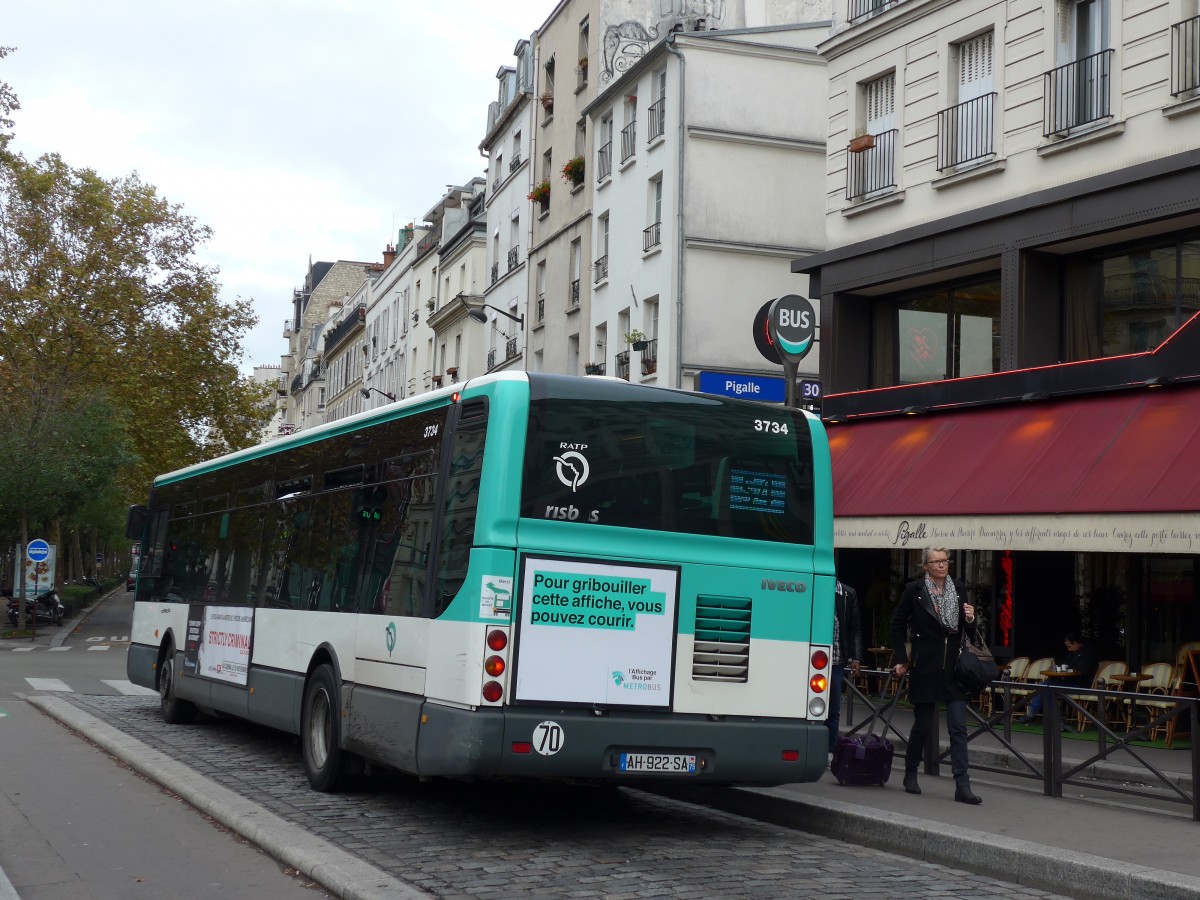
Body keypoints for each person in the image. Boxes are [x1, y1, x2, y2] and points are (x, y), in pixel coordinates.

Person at [891, 546, 982, 805]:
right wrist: (901, 658)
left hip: (954, 669)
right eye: (936, 561)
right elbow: (897, 625)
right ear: (926, 566)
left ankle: (962, 784)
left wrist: (972, 618)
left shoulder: (960, 588)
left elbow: (970, 632)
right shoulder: (914, 591)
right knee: (922, 725)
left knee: (958, 727)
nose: (942, 565)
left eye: (945, 561)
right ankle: (910, 772)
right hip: (925, 666)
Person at [1017, 631, 1098, 727]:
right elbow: (1067, 665)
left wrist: (1067, 670)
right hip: (1069, 682)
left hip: (1081, 684)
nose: (1069, 649)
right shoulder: (1072, 653)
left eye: (1069, 646)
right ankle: (1050, 717)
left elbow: (1082, 671)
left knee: (1049, 687)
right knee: (1044, 685)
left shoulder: (1089, 653)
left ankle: (1053, 718)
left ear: (1075, 643)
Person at [827, 579, 863, 758]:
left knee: (833, 708)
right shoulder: (812, 585)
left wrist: (855, 658)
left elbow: (854, 628)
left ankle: (830, 751)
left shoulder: (847, 593)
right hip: (811, 659)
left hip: (836, 660)